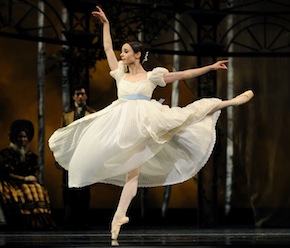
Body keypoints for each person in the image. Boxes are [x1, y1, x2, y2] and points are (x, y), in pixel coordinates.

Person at [48, 6, 254, 240]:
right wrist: (106, 25)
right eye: (122, 52)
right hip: (122, 122)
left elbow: (183, 75)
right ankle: (119, 216)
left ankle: (230, 102)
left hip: (146, 121)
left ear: (137, 55)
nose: (122, 55)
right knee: (127, 171)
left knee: (186, 117)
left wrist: (210, 67)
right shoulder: (119, 74)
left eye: (125, 52)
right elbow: (107, 48)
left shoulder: (152, 76)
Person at [0, 120, 56, 230]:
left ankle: (39, 223)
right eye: (20, 137)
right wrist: (24, 178)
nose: (22, 140)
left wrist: (30, 178)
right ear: (15, 138)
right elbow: (5, 173)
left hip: (27, 182)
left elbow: (33, 170)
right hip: (10, 183)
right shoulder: (6, 154)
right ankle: (20, 223)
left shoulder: (31, 156)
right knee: (16, 193)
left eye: (25, 137)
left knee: (38, 190)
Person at [61, 85, 96, 229]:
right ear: (74, 97)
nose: (80, 97)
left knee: (84, 189)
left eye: (83, 94)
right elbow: (63, 136)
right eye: (78, 94)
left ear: (86, 96)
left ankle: (83, 220)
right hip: (70, 155)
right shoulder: (66, 115)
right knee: (69, 188)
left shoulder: (92, 113)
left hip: (85, 154)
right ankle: (69, 219)